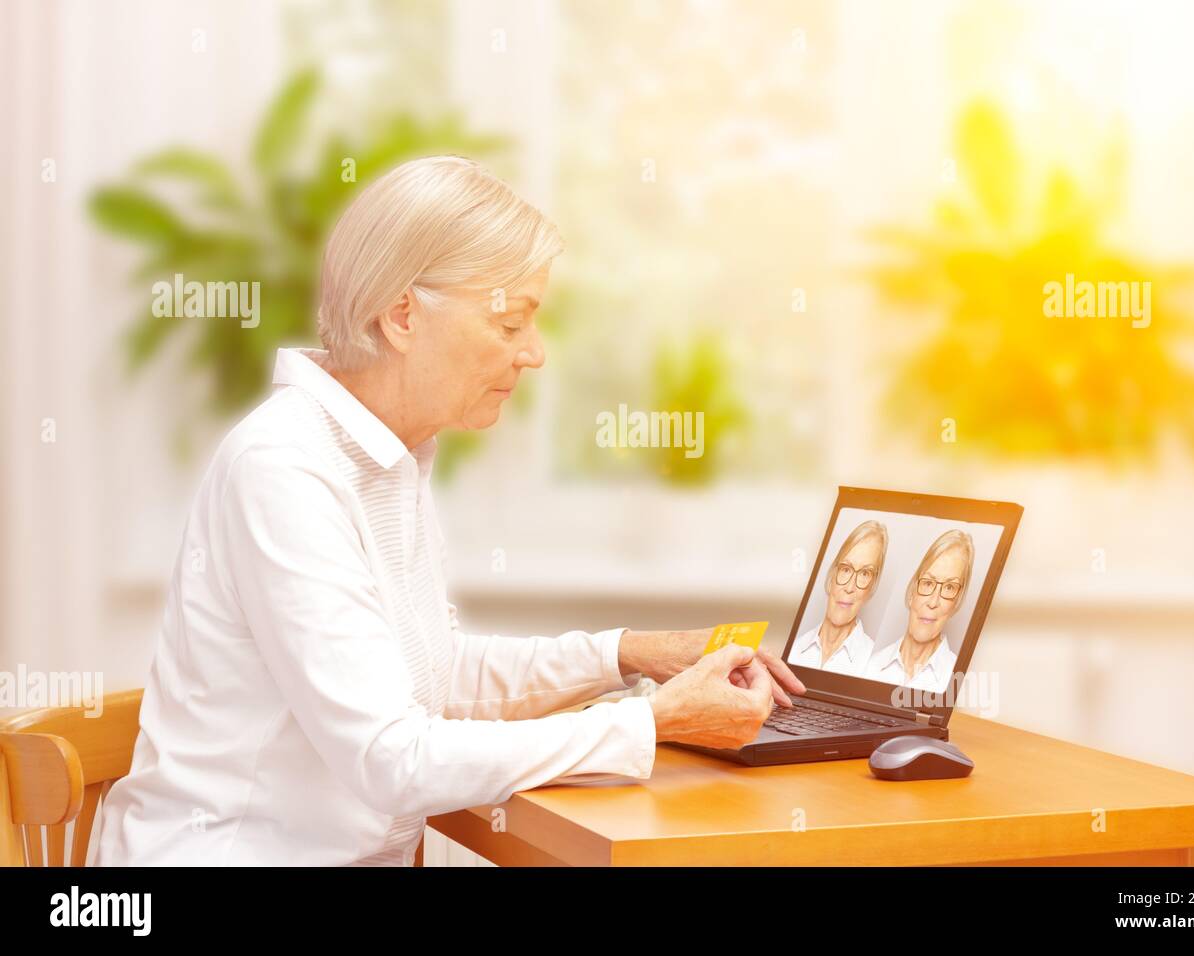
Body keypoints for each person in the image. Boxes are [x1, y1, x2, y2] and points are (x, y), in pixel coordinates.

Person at [94, 156, 803, 866]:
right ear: (403, 315)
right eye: (510, 323)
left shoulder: (386, 455)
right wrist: (651, 722)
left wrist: (625, 655)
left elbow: (426, 678)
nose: (535, 354)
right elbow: (391, 756)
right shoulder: (283, 469)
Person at [863, 529, 973, 692]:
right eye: (928, 583)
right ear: (912, 592)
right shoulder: (870, 666)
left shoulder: (960, 682)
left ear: (956, 603)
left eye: (949, 587)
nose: (933, 602)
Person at [788, 521, 888, 676]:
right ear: (833, 573)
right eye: (846, 569)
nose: (849, 587)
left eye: (864, 574)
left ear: (872, 586)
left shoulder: (875, 665)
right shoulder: (793, 649)